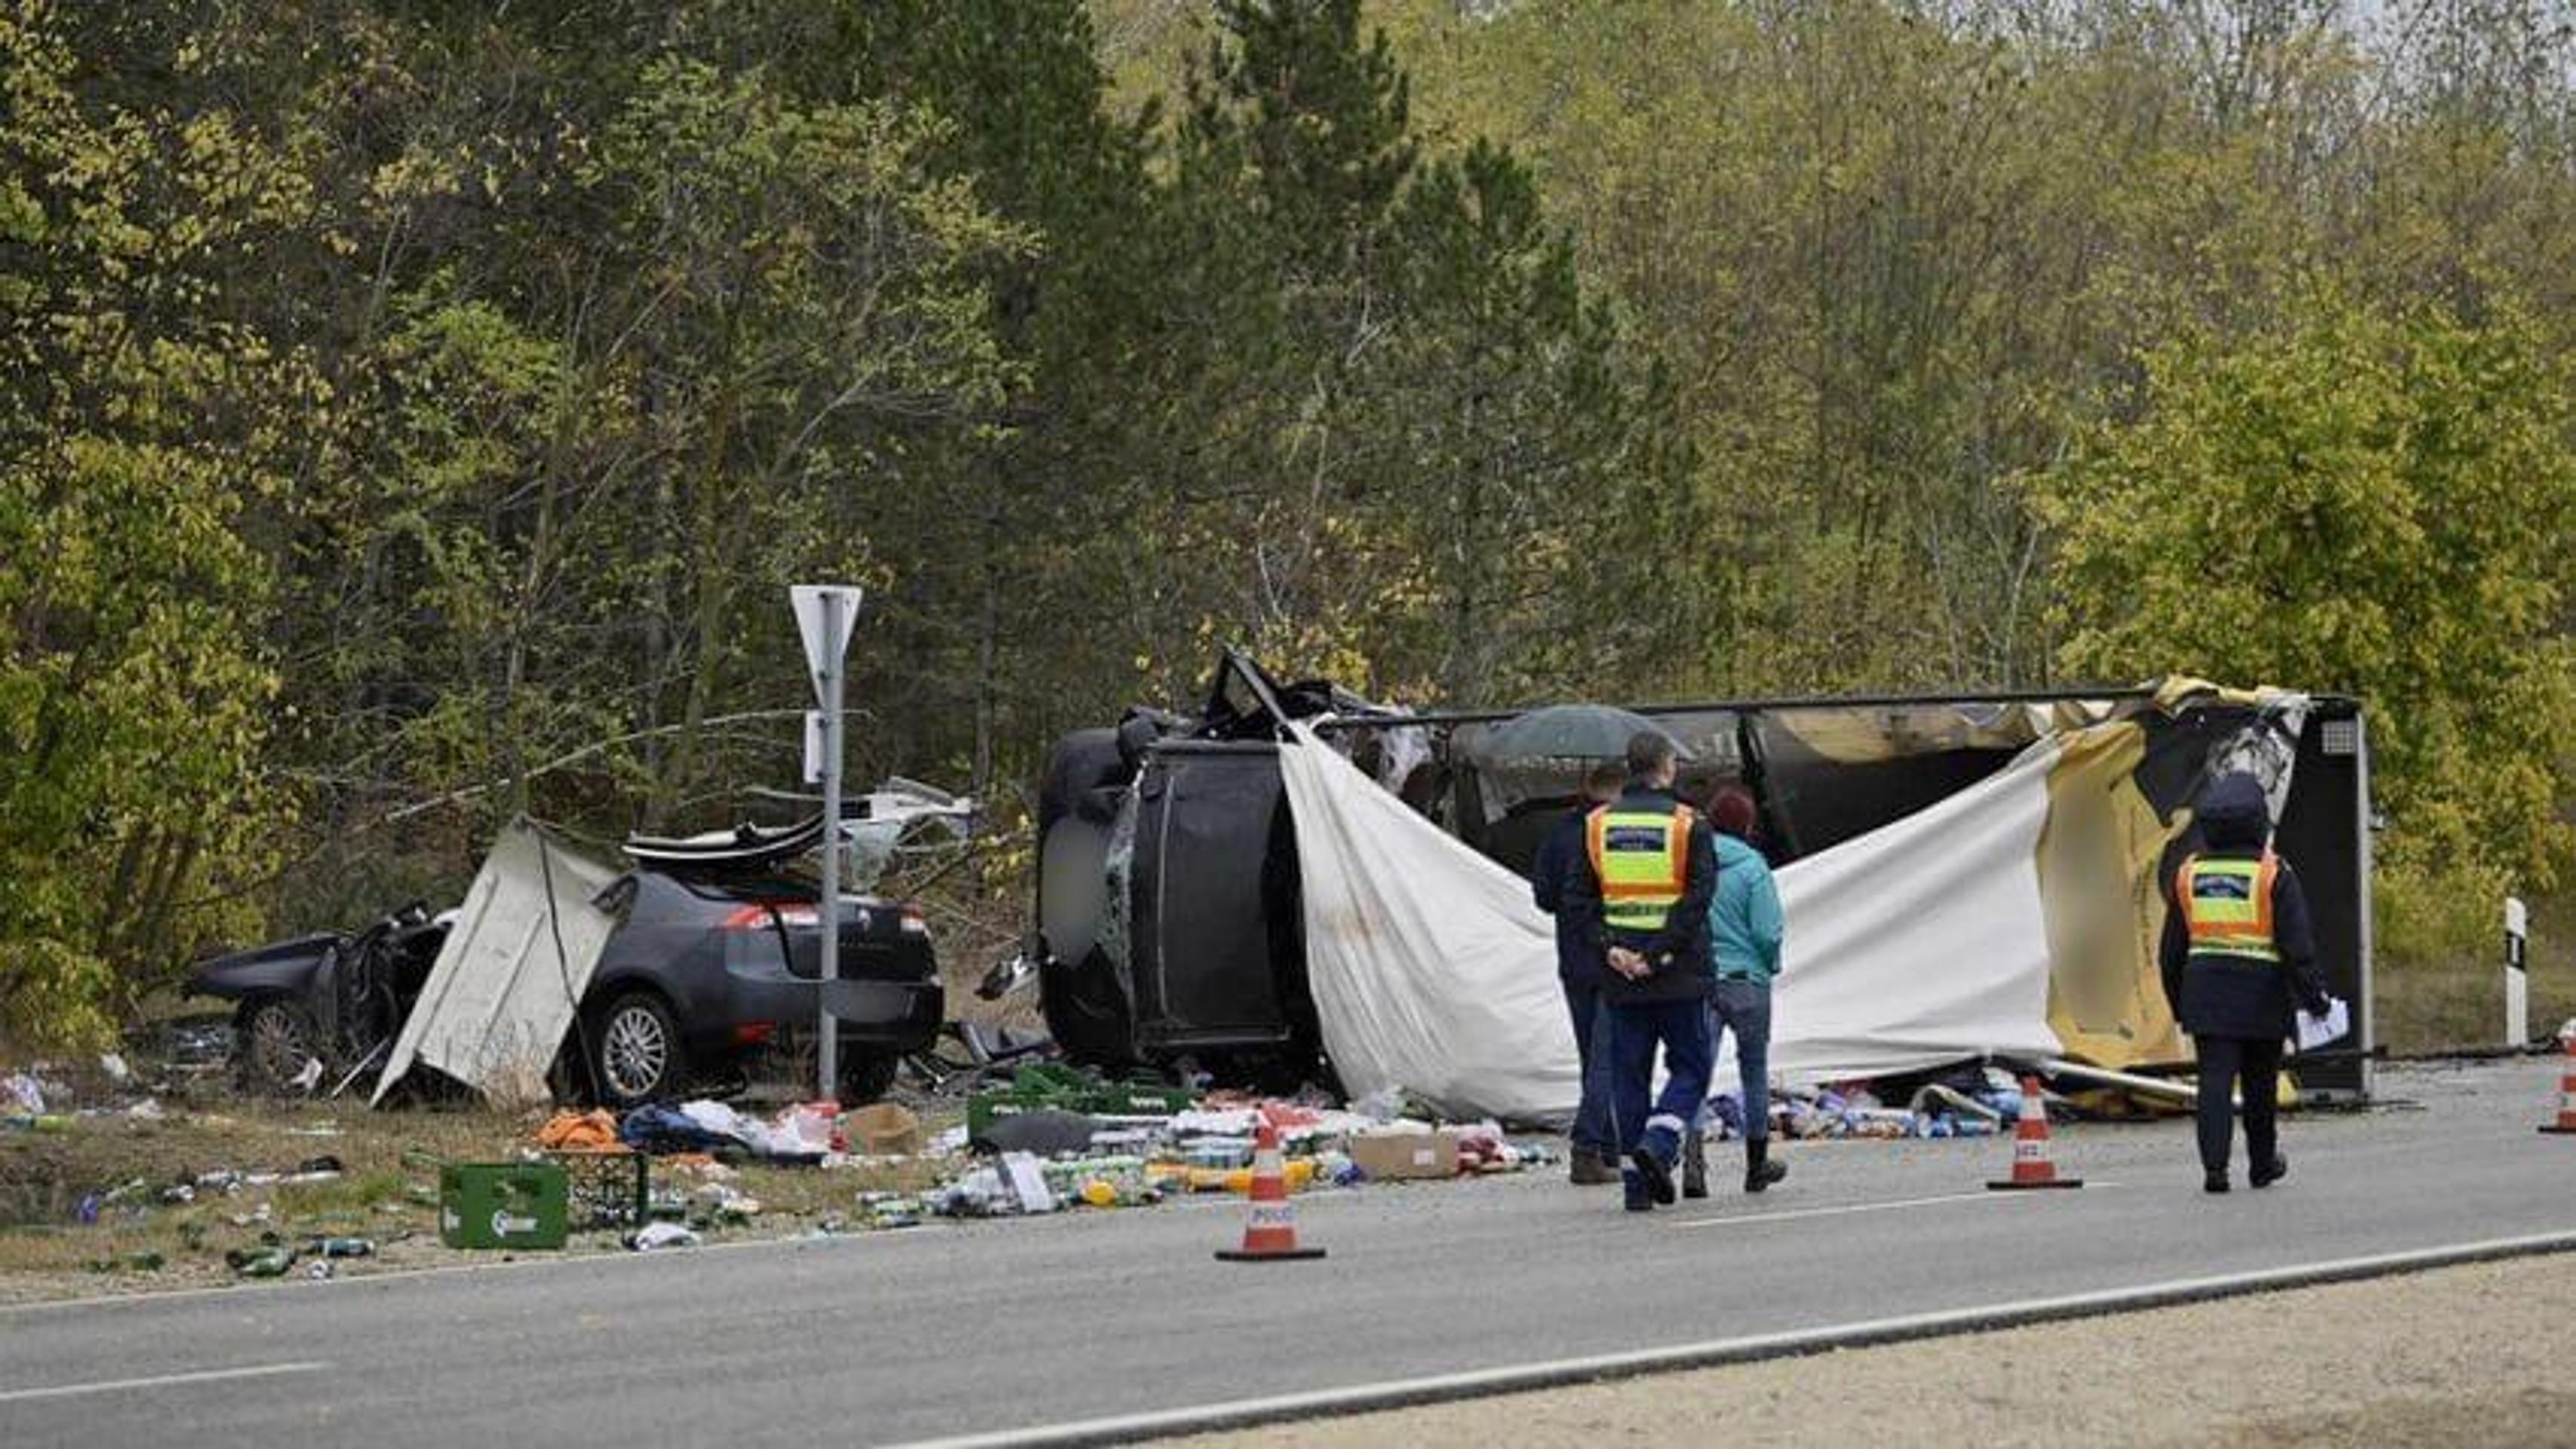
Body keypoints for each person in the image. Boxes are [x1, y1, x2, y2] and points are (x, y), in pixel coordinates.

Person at [1564, 731, 1720, 1212]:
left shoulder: (1596, 826)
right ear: (1667, 766)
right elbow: (1697, 900)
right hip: (1677, 973)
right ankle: (1659, 1140)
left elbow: (1577, 899)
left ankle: (1637, 1187)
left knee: (1629, 1078)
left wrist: (1612, 949)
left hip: (1620, 977)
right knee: (1692, 1067)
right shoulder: (1689, 824)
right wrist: (1657, 955)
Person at [2159, 771, 2332, 1194]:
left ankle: (2215, 1171)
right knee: (2259, 1084)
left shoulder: (2189, 874)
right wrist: (2316, 999)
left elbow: (2170, 950)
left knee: (2214, 1083)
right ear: (2259, 821)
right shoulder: (2273, 874)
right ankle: (2261, 1164)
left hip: (2206, 994)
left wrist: (2179, 1003)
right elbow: (2297, 946)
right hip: (2261, 994)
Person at [1682, 786, 1788, 1197]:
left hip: (1700, 981)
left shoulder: (1692, 861)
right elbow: (1766, 929)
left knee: (1694, 1073)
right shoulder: (1753, 867)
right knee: (1754, 1071)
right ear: (1747, 825)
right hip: (1748, 982)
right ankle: (1756, 1166)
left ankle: (1694, 1167)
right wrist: (1770, 963)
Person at [1533, 761, 1631, 1186]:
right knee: (1608, 1060)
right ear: (1615, 794)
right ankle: (1587, 1146)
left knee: (1593, 1059)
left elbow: (1544, 897)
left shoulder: (1558, 836)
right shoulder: (1613, 836)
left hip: (1572, 960)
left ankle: (1607, 1150)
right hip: (1611, 956)